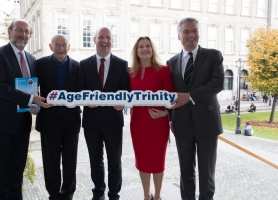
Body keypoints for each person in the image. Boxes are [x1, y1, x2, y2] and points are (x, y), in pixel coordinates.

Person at [0, 19, 52, 199]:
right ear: (9, 32)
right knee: (1, 174)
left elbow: (31, 87)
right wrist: (31, 99)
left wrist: (33, 104)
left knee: (17, 172)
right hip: (1, 125)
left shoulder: (31, 59)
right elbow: (1, 88)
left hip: (22, 124)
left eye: (27, 32)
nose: (23, 34)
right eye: (19, 30)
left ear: (30, 35)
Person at [167, 17, 224, 200]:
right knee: (185, 172)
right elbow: (168, 93)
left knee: (206, 173)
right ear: (178, 36)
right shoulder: (171, 62)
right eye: (186, 32)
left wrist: (190, 96)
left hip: (207, 123)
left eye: (194, 31)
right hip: (181, 123)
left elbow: (217, 83)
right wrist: (169, 119)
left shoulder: (213, 56)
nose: (191, 35)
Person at [77, 27, 131, 200]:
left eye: (108, 37)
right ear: (95, 40)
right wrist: (85, 100)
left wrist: (123, 102)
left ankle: (114, 194)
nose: (105, 40)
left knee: (114, 161)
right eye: (101, 37)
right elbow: (79, 90)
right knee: (95, 160)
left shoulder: (122, 64)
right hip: (91, 122)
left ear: (112, 41)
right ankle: (98, 191)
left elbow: (127, 90)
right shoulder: (83, 65)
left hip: (113, 121)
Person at [35, 34, 81, 199]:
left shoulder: (78, 66)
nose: (61, 48)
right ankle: (54, 195)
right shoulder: (39, 64)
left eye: (64, 45)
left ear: (69, 47)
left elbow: (84, 91)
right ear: (50, 46)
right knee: (51, 163)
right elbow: (33, 88)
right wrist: (33, 105)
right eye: (57, 45)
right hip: (49, 121)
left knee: (70, 163)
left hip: (71, 121)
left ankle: (68, 194)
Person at [129, 36, 174, 200]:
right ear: (136, 51)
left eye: (148, 46)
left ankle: (158, 195)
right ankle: (146, 195)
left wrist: (166, 113)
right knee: (142, 160)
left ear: (152, 49)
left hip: (158, 123)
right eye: (141, 47)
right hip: (138, 123)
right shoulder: (130, 72)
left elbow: (172, 97)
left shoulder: (163, 70)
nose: (144, 49)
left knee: (158, 160)